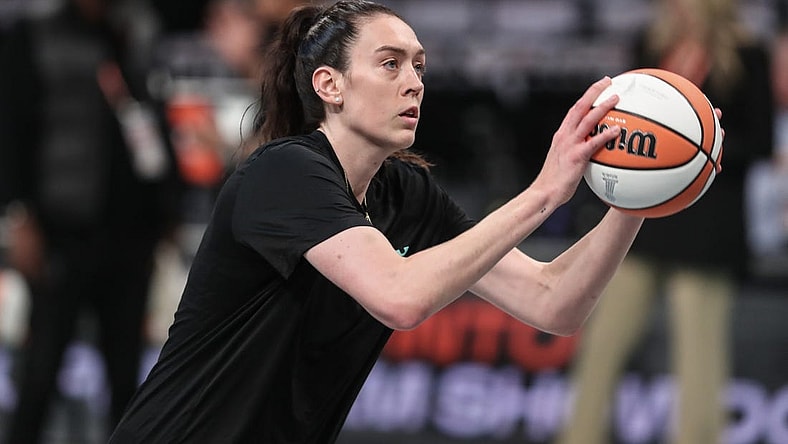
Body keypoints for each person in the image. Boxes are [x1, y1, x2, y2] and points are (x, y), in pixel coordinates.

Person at [109, 1, 701, 442]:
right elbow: (399, 297)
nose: (414, 81)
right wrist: (545, 191)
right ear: (329, 85)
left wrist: (637, 194)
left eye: (418, 65)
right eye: (389, 64)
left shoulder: (403, 191)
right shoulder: (284, 172)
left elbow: (555, 304)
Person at [555, 0, 772, 443]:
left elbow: (763, 141)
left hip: (706, 229)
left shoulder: (750, 53)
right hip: (640, 224)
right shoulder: (651, 42)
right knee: (601, 344)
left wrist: (699, 152)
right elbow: (620, 125)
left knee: (699, 359)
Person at [0, 0, 180, 441]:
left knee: (126, 377)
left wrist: (167, 211)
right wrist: (18, 216)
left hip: (130, 237)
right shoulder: (33, 37)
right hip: (62, 230)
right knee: (41, 369)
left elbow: (153, 126)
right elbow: (10, 130)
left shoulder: (133, 36)